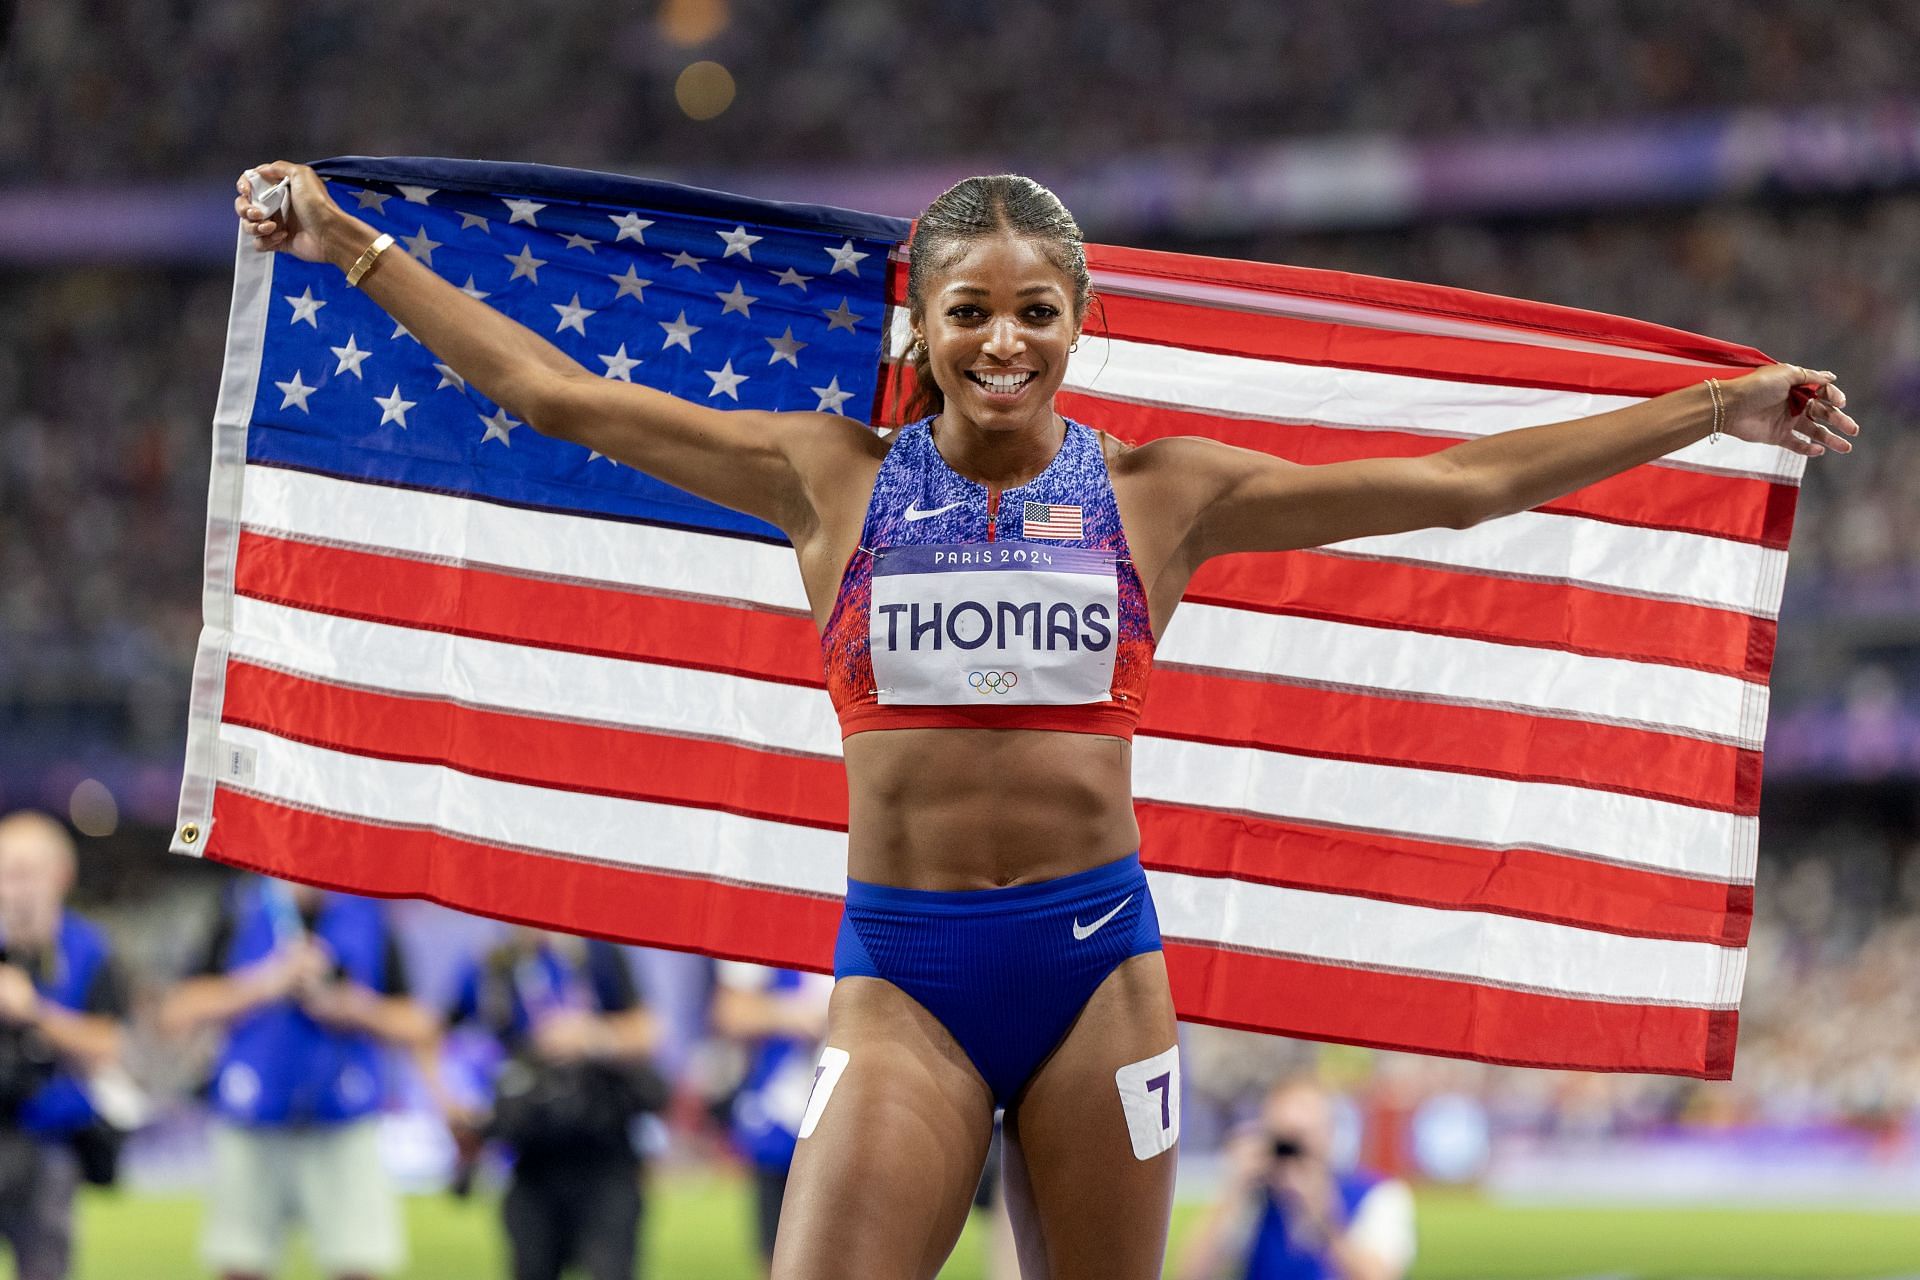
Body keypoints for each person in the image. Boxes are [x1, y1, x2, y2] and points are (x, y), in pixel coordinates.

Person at [233, 160, 1858, 1279]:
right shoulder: (826, 475)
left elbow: (1455, 488)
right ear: (922, 329)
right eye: (969, 312)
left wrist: (1713, 411)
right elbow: (561, 401)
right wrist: (355, 252)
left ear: (1079, 324)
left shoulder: (1166, 495)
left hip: (1102, 978)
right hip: (903, 978)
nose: (1002, 341)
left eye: (1036, 311)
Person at [157, 877, 434, 1280]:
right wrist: (267, 983)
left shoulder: (367, 913)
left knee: (357, 1264)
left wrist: (352, 1008)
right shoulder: (241, 906)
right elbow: (178, 1010)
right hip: (253, 1118)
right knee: (241, 1263)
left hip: (342, 1119)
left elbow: (418, 1024)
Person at [437, 929, 662, 1280]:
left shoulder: (594, 949)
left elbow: (648, 1032)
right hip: (532, 1153)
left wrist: (593, 1036)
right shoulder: (493, 962)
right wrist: (454, 1102)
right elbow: (433, 1030)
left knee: (612, 1268)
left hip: (603, 1149)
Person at [0, 811, 130, 1280]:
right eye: (5, 872)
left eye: (25, 872)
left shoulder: (87, 948)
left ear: (61, 875)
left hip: (47, 1138)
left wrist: (33, 1011)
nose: (14, 888)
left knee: (45, 1264)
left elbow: (108, 1045)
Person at [1176, 1076, 1414, 1280]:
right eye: (1283, 1139)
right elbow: (1191, 1274)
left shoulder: (1377, 1194)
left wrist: (1325, 1218)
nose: (1292, 1153)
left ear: (1329, 1135)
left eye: (1302, 1137)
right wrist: (1234, 1191)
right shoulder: (1256, 1198)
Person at [707, 962, 833, 1272]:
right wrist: (794, 1016)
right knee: (777, 1252)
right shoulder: (771, 929)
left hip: (846, 1106)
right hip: (780, 1110)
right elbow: (731, 1011)